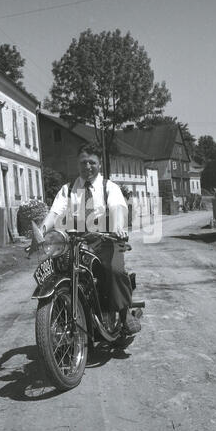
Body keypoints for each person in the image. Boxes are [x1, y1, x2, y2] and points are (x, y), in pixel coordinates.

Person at [40, 142, 141, 335]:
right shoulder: (68, 189)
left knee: (115, 270)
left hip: (107, 240)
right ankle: (60, 313)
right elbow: (54, 213)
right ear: (78, 164)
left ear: (99, 164)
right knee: (58, 270)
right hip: (75, 242)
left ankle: (124, 312)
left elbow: (117, 207)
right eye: (83, 162)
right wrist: (41, 232)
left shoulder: (109, 187)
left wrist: (119, 227)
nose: (87, 167)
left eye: (92, 162)